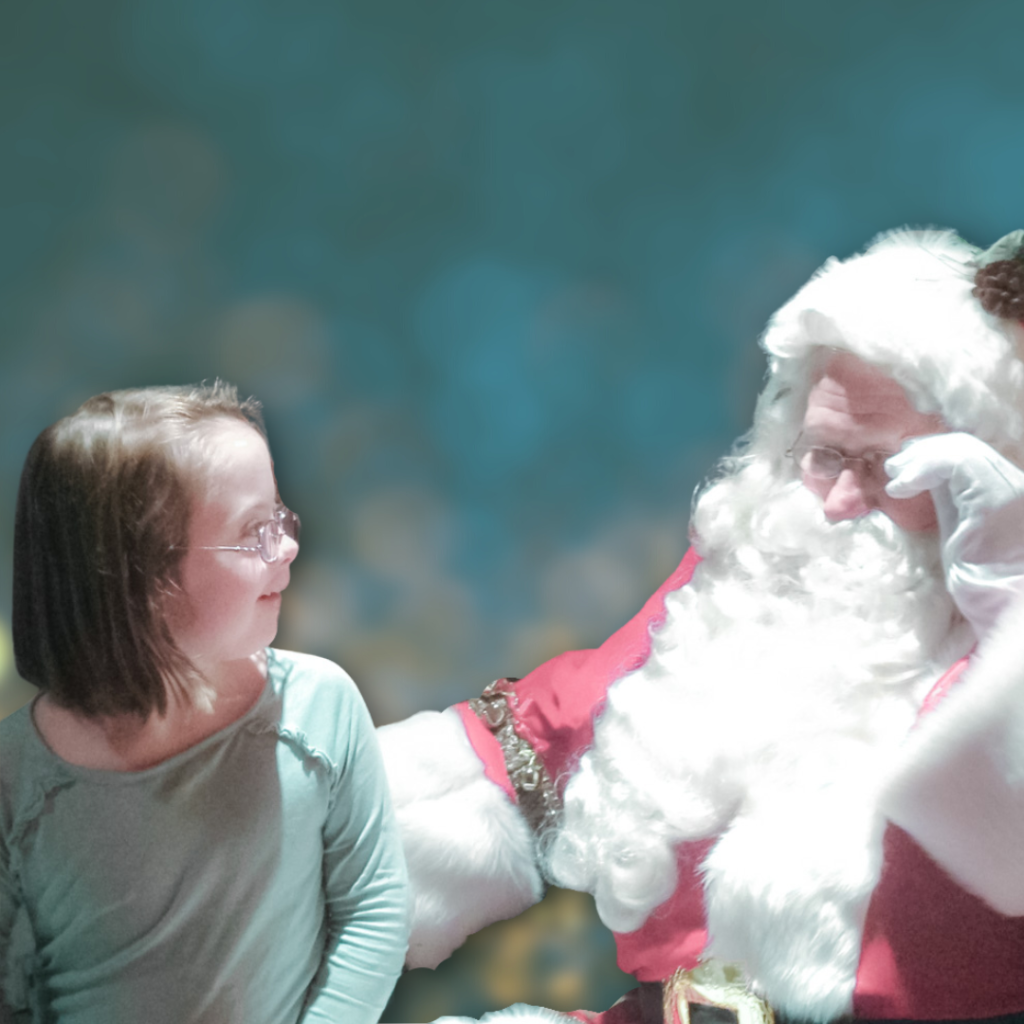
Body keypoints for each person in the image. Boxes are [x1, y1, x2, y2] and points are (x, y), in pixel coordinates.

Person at [378, 228, 1024, 1024]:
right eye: (824, 454)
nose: (840, 503)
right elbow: (562, 725)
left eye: (892, 469)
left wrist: (1007, 589)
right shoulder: (768, 572)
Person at [0, 383, 409, 1024]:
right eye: (254, 533)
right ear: (138, 579)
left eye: (281, 519)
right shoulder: (14, 783)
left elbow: (375, 906)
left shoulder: (321, 709)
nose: (289, 546)